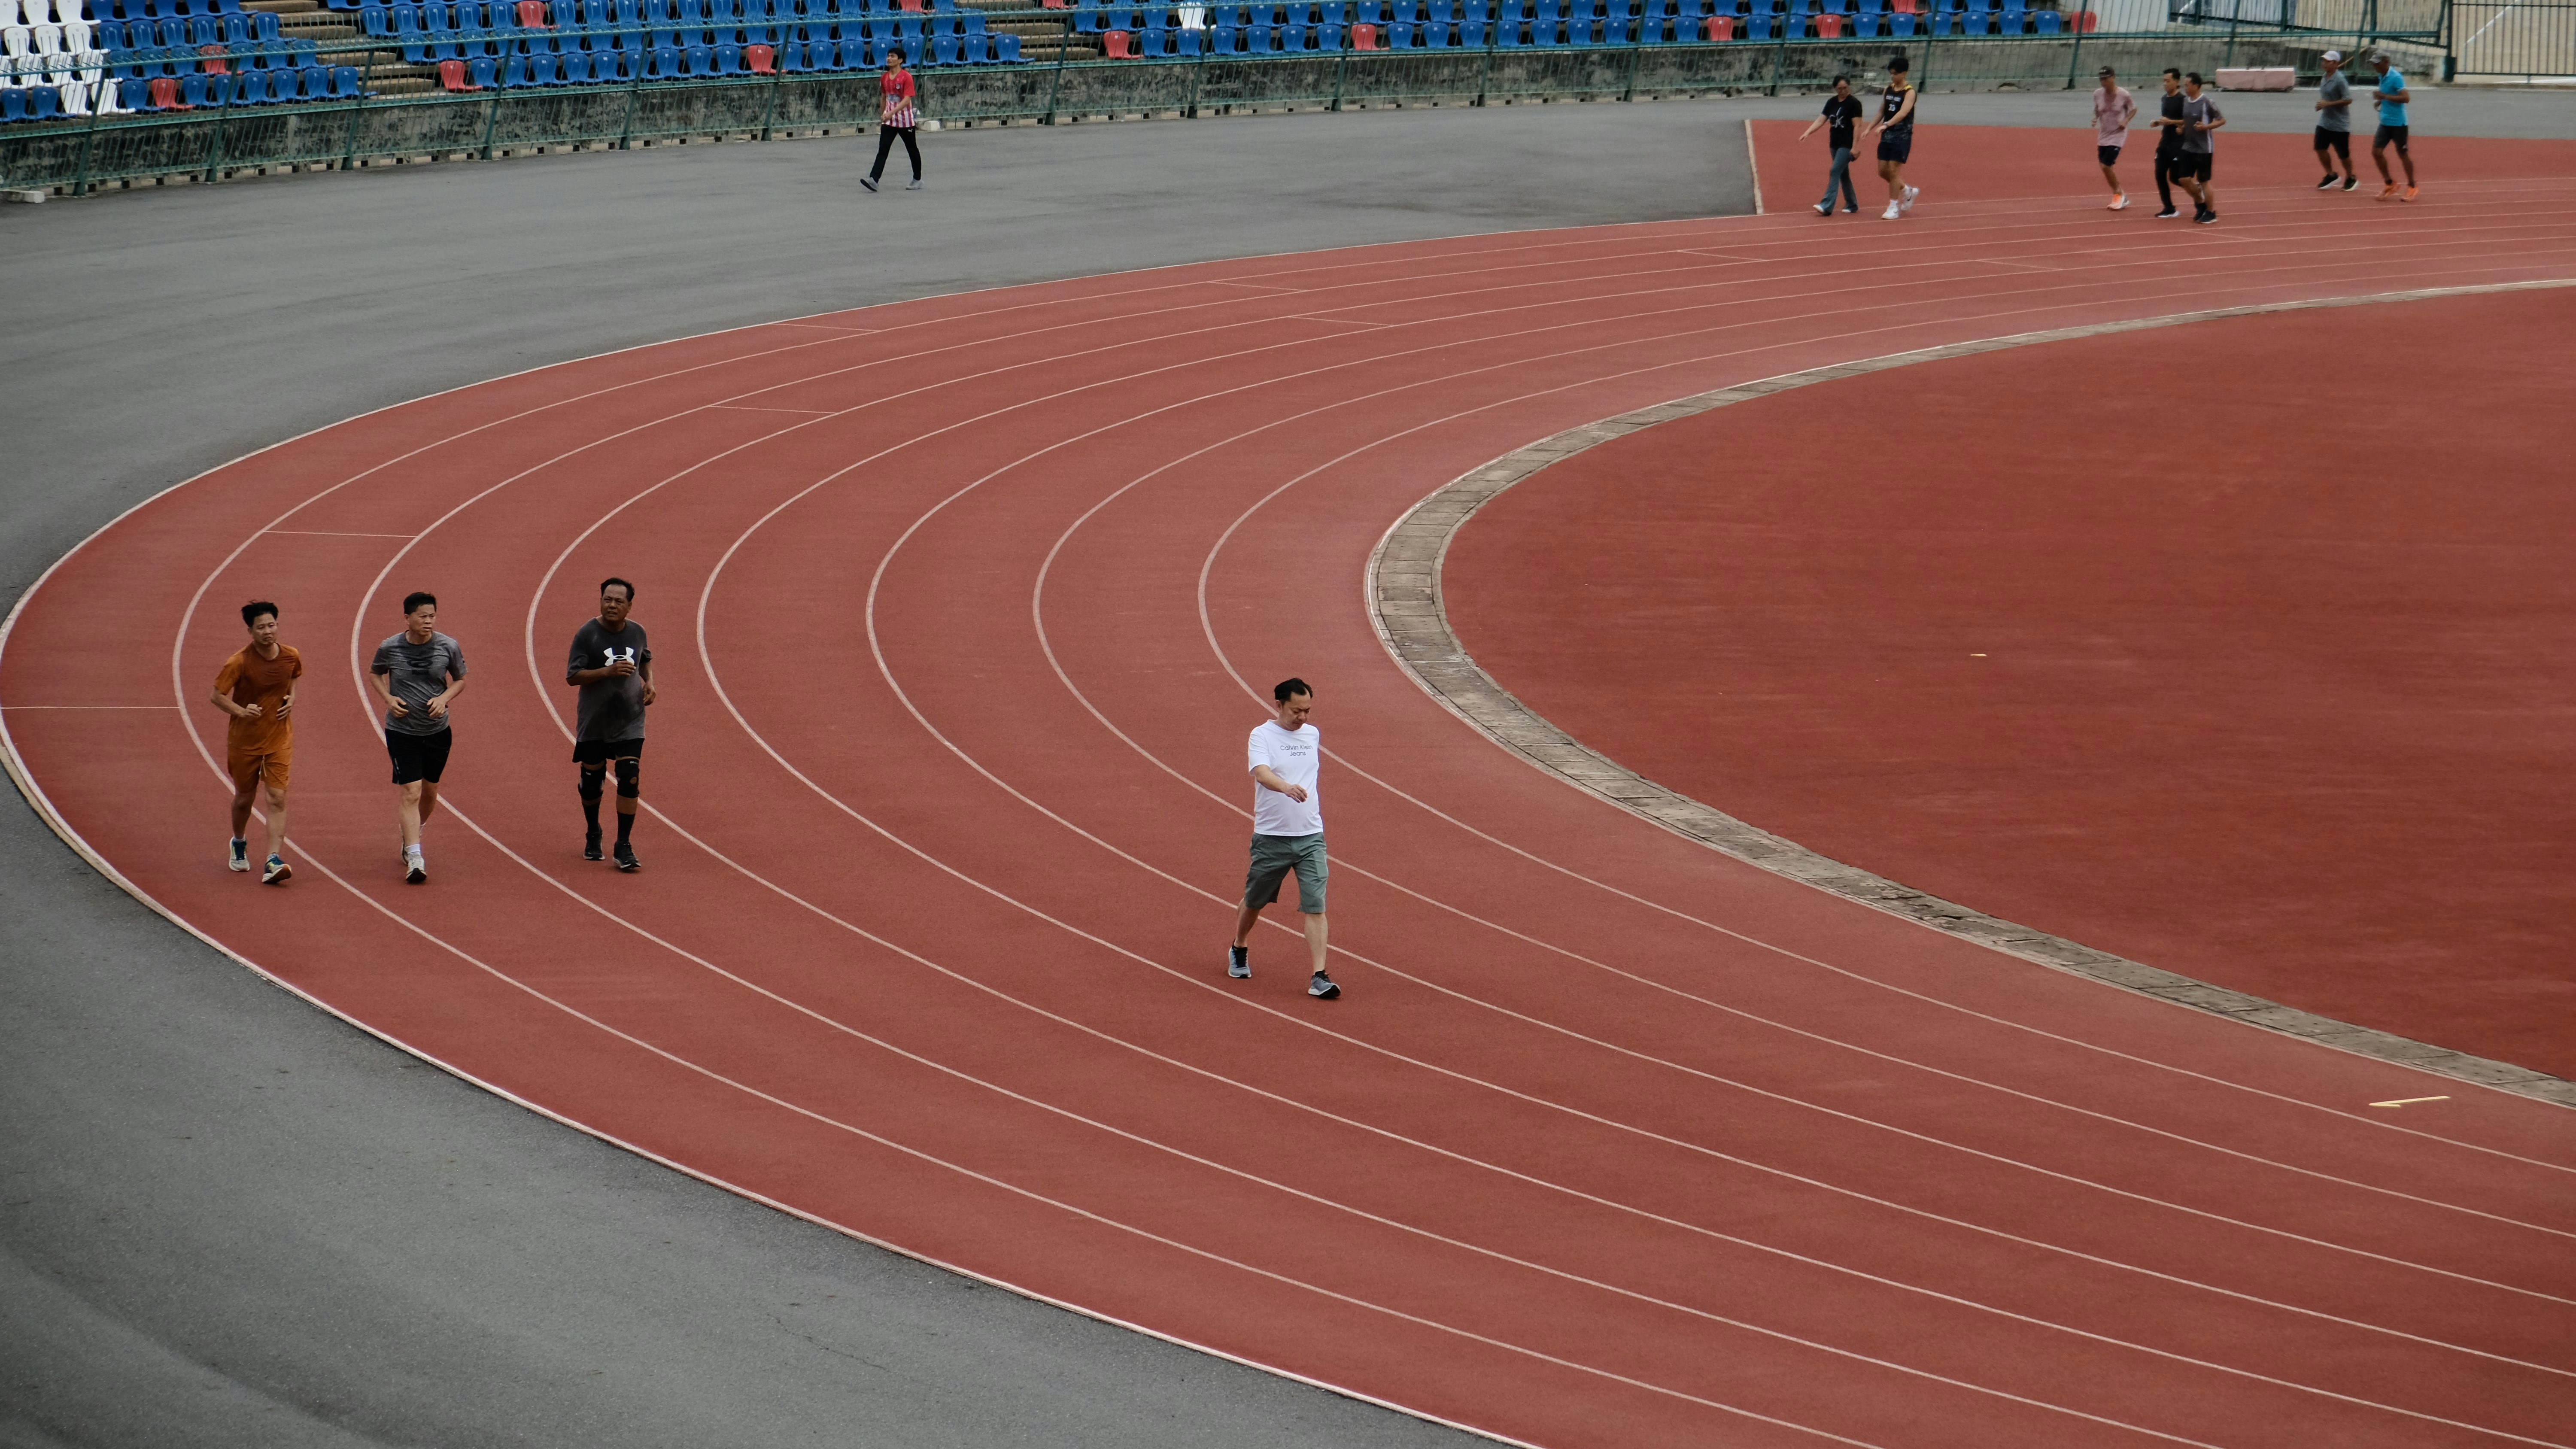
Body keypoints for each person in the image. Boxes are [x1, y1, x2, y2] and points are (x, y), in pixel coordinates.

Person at [1229, 678, 1338, 1001]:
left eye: (1307, 710)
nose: (1302, 717)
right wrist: (1286, 787)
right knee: (1255, 899)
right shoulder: (1261, 735)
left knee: (1316, 905)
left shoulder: (1312, 734)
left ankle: (1319, 975)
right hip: (1272, 837)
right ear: (1279, 705)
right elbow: (1261, 772)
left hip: (1310, 836)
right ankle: (1239, 945)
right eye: (1296, 711)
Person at [369, 591, 468, 885]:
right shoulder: (390, 647)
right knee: (410, 791)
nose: (429, 621)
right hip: (402, 731)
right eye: (423, 616)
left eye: (433, 616)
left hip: (438, 731)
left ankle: (416, 828)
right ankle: (415, 856)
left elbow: (461, 679)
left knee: (429, 791)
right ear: (408, 618)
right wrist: (388, 698)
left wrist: (444, 698)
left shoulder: (447, 646)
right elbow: (375, 673)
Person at [207, 599, 300, 886]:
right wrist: (241, 711)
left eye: (272, 625)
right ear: (250, 631)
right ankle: (238, 840)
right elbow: (217, 696)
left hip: (278, 738)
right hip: (244, 741)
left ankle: (273, 858)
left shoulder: (291, 655)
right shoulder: (239, 662)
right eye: (261, 627)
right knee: (245, 798)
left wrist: (292, 698)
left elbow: (293, 677)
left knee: (277, 797)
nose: (268, 631)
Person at [564, 577, 653, 872]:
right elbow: (573, 676)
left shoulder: (638, 632)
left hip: (630, 719)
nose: (611, 605)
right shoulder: (587, 634)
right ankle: (593, 831)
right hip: (595, 721)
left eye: (618, 601)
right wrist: (608, 672)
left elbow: (645, 659)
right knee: (592, 782)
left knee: (629, 778)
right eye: (607, 599)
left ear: (629, 605)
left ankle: (623, 845)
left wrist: (649, 683)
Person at [1860, 53, 1919, 222]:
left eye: (1896, 73)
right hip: (1887, 137)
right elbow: (1882, 111)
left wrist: (1887, 125)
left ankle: (1893, 207)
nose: (1893, 76)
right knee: (1882, 172)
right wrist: (1870, 127)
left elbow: (1903, 112)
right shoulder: (1889, 89)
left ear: (1904, 73)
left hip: (1902, 137)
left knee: (1894, 171)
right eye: (1891, 74)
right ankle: (1907, 190)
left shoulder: (1910, 92)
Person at [1800, 75, 1865, 216]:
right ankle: (1852, 204)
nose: (1843, 91)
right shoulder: (1832, 102)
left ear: (1849, 87)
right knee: (1843, 174)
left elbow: (1857, 126)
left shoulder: (1854, 103)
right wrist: (1808, 132)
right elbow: (1821, 120)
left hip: (1846, 144)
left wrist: (1855, 147)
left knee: (1835, 170)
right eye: (1840, 89)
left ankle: (1827, 205)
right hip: (1834, 143)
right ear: (1835, 89)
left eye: (1845, 88)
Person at [861, 48, 921, 193]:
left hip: (905, 121)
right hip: (889, 122)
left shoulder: (906, 77)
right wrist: (883, 115)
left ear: (900, 60)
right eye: (888, 56)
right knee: (883, 150)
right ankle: (874, 180)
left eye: (893, 56)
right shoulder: (884, 77)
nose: (889, 59)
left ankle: (917, 179)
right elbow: (884, 97)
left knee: (912, 150)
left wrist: (891, 113)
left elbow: (907, 99)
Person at [2174, 72, 2226, 225]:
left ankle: (2211, 212)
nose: (2185, 87)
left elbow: (2222, 120)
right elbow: (2186, 120)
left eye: (2187, 85)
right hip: (2188, 146)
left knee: (2204, 181)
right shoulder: (2185, 101)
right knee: (2183, 179)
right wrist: (2182, 128)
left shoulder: (2207, 102)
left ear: (2196, 86)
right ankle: (2201, 203)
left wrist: (2206, 127)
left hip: (2204, 149)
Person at [2369, 51, 2416, 201]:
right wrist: (2381, 101)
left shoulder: (2396, 77)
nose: (2375, 66)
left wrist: (2384, 97)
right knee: (2377, 152)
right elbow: (2387, 95)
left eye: (2377, 63)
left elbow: (2406, 98)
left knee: (2403, 155)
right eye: (2374, 63)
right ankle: (2389, 183)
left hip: (2398, 124)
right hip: (2385, 122)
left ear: (2386, 62)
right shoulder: (2381, 76)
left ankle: (2412, 186)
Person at [2313, 50, 2358, 191]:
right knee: (2320, 148)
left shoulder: (2340, 80)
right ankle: (2331, 175)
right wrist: (2322, 104)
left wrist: (2329, 104)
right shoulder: (2324, 77)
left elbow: (2348, 99)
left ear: (2335, 63)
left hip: (2340, 124)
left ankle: (2351, 177)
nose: (2324, 63)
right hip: (2325, 122)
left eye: (2327, 61)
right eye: (2324, 61)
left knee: (2343, 154)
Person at [2092, 66, 2135, 211]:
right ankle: (2122, 195)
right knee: (2104, 168)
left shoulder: (2124, 95)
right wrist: (2095, 118)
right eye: (2101, 79)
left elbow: (2133, 109)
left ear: (2113, 78)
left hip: (2118, 134)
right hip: (2104, 134)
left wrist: (2126, 120)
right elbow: (2098, 109)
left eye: (2106, 79)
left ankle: (2118, 195)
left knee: (2106, 165)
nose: (2103, 82)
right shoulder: (2097, 94)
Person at [2149, 68, 2187, 219]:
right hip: (2165, 142)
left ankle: (2196, 189)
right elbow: (2166, 119)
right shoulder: (2164, 99)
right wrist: (2158, 122)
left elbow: (2187, 121)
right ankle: (2169, 208)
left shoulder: (2183, 100)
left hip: (2179, 145)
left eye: (2168, 81)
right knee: (2159, 174)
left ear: (2176, 82)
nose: (2165, 84)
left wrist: (2171, 122)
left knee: (2176, 178)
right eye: (2164, 81)